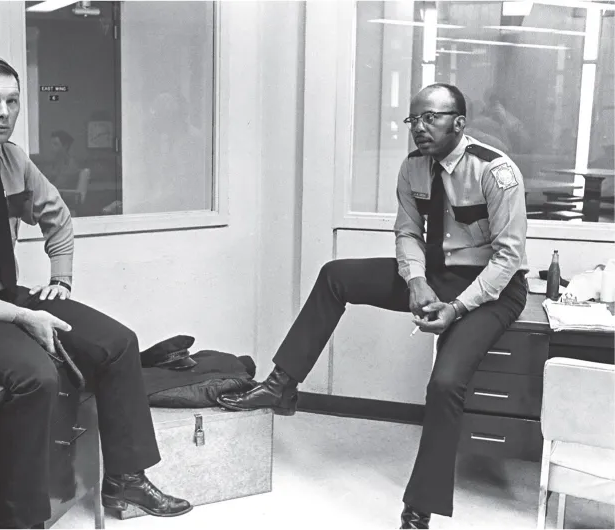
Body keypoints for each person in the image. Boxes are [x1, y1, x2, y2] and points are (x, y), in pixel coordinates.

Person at [0, 57, 192, 529]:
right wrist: (24, 318)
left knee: (118, 343)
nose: (4, 112)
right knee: (37, 377)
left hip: (4, 298)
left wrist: (62, 278)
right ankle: (21, 519)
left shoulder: (12, 159)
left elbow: (59, 218)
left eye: (12, 101)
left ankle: (124, 480)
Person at [218, 83, 529, 529]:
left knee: (445, 384)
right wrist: (417, 282)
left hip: (492, 289)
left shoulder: (495, 172)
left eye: (431, 118)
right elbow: (407, 233)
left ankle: (420, 506)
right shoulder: (413, 168)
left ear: (458, 123)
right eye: (414, 119)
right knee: (335, 275)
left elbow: (507, 259)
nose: (419, 128)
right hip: (436, 272)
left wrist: (456, 309)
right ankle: (282, 384)